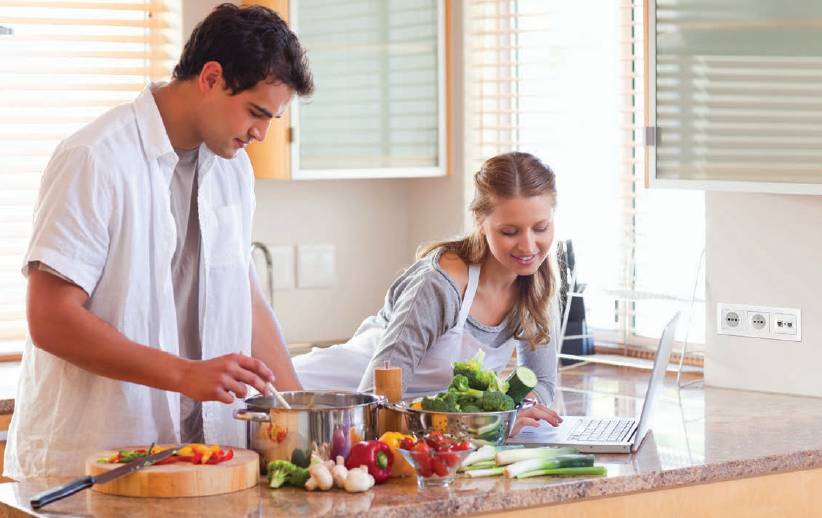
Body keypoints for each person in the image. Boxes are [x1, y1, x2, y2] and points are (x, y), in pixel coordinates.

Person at [4, 4, 314, 479]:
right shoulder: (95, 157)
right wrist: (186, 374)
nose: (261, 133)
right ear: (211, 78)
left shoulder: (232, 170)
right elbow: (51, 319)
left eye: (272, 118)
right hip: (91, 463)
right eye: (256, 112)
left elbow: (244, 296)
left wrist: (303, 417)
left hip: (202, 462)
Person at [294, 152, 563, 434]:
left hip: (412, 425)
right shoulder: (439, 286)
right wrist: (487, 423)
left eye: (541, 228)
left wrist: (516, 409)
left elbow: (542, 382)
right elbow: (376, 404)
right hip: (319, 403)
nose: (528, 246)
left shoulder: (538, 286)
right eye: (510, 231)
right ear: (479, 220)